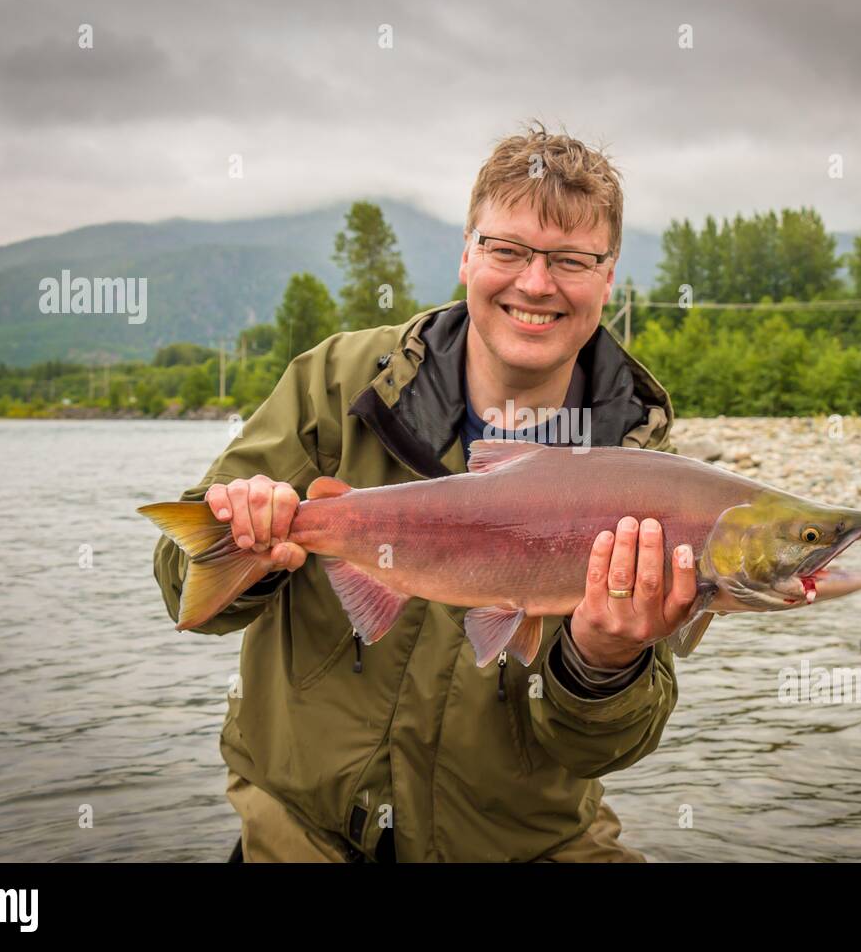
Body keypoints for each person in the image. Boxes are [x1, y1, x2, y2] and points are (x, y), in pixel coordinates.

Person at [152, 121, 698, 862]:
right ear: (467, 252)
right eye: (507, 250)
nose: (535, 284)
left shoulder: (651, 478)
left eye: (571, 260)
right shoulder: (338, 384)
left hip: (522, 846)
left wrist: (603, 663)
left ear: (609, 276)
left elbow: (605, 747)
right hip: (300, 831)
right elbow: (184, 584)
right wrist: (242, 535)